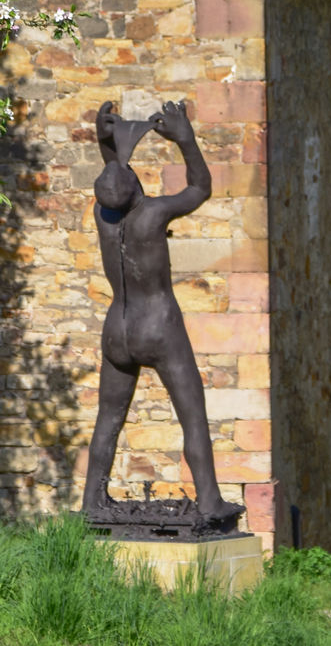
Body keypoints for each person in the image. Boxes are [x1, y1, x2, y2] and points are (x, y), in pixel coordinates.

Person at [82, 98, 239, 525]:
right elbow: (199, 188)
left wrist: (106, 141)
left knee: (108, 419)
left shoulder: (103, 215)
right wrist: (185, 140)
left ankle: (91, 502)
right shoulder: (152, 213)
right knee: (192, 415)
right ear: (137, 190)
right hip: (158, 326)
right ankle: (209, 501)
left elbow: (113, 181)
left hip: (118, 329)